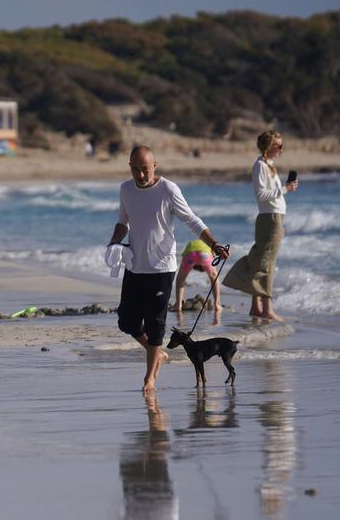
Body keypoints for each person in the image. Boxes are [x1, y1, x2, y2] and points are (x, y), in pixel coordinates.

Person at [108, 146, 228, 394]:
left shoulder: (168, 189)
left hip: (161, 268)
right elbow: (123, 221)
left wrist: (213, 244)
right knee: (127, 321)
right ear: (129, 167)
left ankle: (149, 379)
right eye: (136, 170)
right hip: (134, 265)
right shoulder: (126, 189)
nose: (141, 175)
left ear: (155, 166)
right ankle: (158, 354)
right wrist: (113, 242)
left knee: (155, 326)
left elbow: (191, 220)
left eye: (145, 169)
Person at [222, 130, 297, 321]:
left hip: (274, 218)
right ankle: (267, 310)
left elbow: (273, 198)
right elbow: (262, 195)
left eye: (282, 146)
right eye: (277, 146)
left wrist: (281, 220)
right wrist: (285, 189)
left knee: (259, 260)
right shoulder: (260, 166)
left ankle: (256, 307)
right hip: (269, 218)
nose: (281, 149)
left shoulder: (269, 165)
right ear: (267, 146)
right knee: (266, 264)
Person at [173, 238, 221, 314]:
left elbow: (180, 279)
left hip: (190, 255)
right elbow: (214, 255)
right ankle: (217, 304)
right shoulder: (209, 245)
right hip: (204, 255)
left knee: (180, 279)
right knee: (214, 277)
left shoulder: (192, 243)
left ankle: (178, 305)